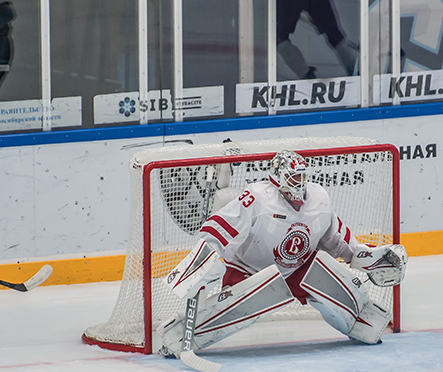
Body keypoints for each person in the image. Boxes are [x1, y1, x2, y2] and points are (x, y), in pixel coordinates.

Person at [156, 150, 407, 356]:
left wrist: (367, 257)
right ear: (277, 179)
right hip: (249, 270)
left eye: (301, 177)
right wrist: (203, 262)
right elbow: (219, 231)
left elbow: (337, 240)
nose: (298, 184)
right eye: (292, 178)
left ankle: (363, 318)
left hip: (296, 269)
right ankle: (178, 335)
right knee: (258, 295)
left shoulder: (319, 198)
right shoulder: (257, 198)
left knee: (325, 272)